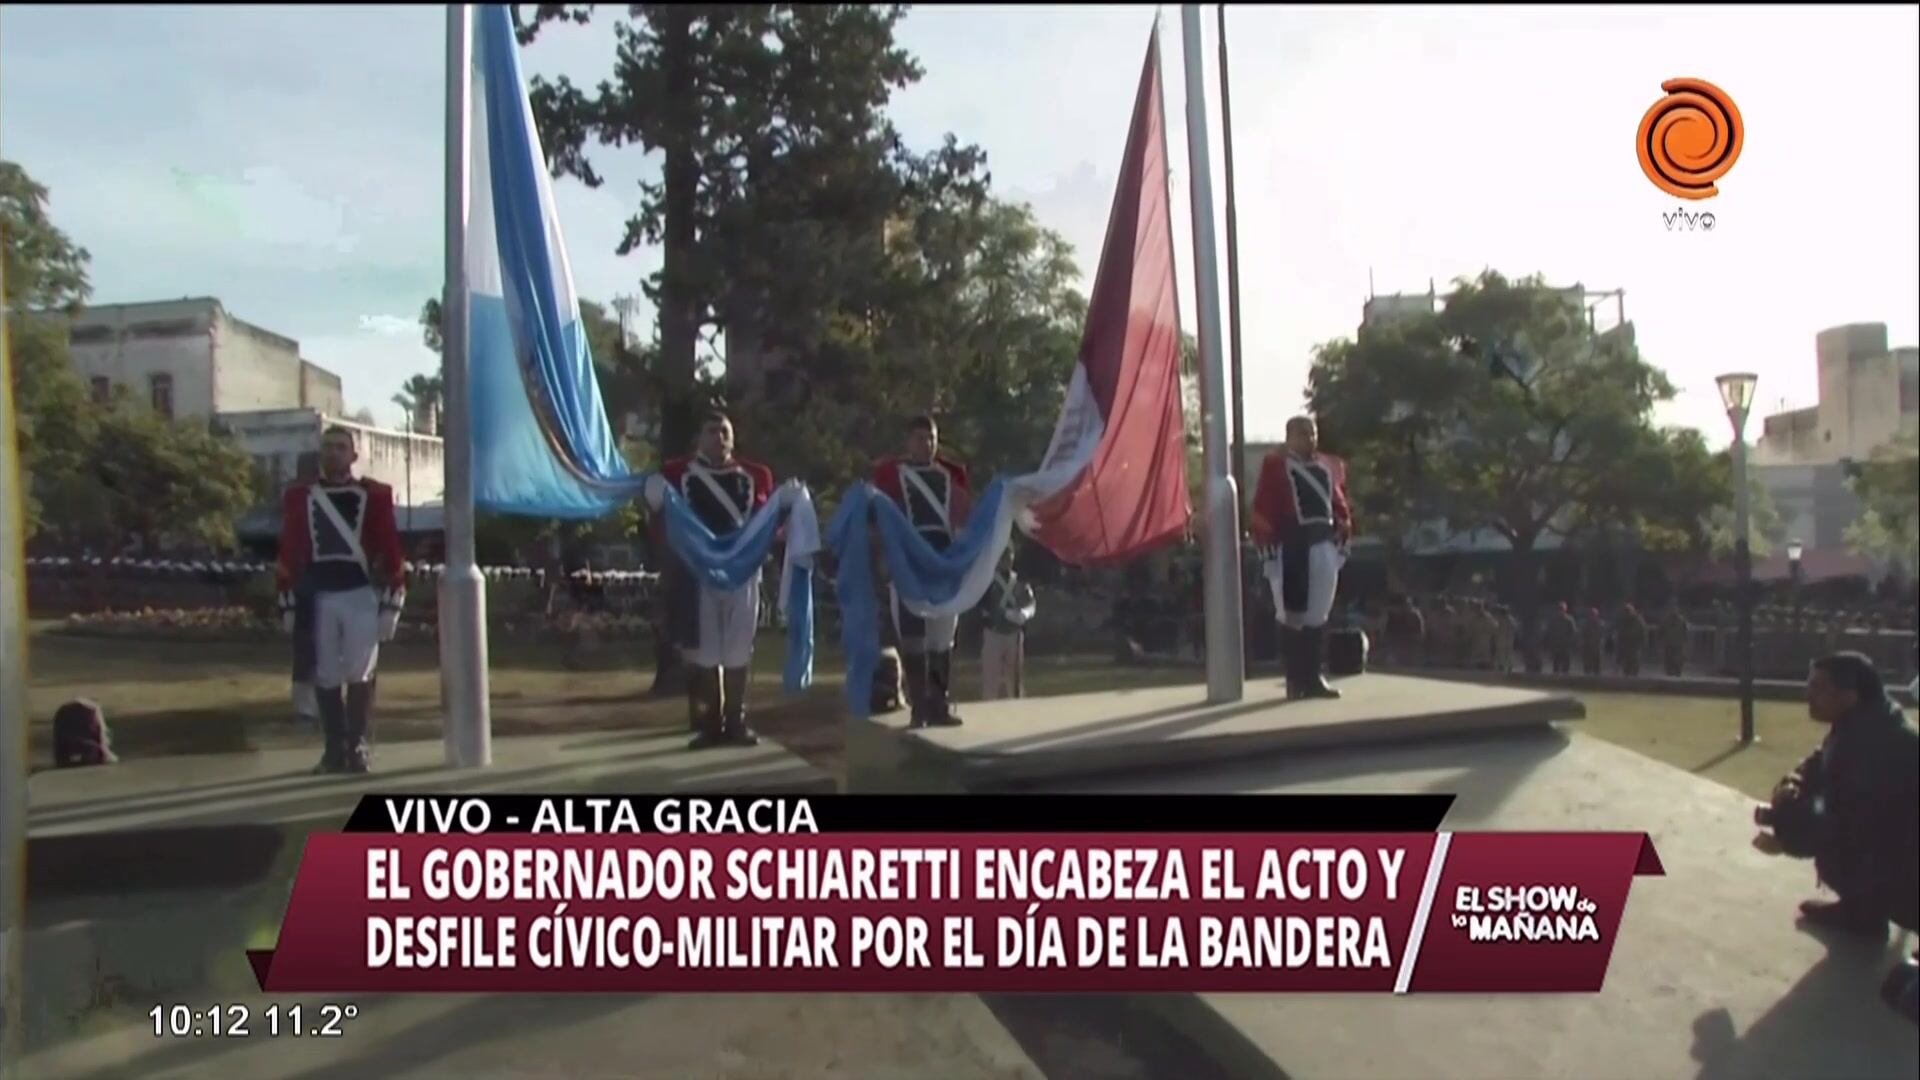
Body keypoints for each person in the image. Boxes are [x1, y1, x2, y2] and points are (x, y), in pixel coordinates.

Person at [1753, 652, 1918, 1003]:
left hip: (1908, 872)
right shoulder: (1866, 722)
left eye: (1817, 687)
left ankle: (1868, 911)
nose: (1807, 695)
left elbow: (1839, 824)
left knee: (1836, 847)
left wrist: (1786, 838)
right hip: (1895, 852)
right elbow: (1817, 765)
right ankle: (1863, 912)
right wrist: (1792, 786)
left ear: (1849, 695)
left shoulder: (1873, 746)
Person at [276, 425, 405, 774]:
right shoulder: (302, 496)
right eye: (327, 447)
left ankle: (358, 746)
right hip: (319, 596)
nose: (332, 453)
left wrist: (393, 601)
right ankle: (334, 749)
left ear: (353, 455)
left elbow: (390, 547)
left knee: (360, 672)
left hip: (360, 593)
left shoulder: (373, 496)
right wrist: (286, 598)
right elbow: (291, 548)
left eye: (339, 447)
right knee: (326, 673)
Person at [658, 410, 774, 750]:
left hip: (742, 571)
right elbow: (663, 521)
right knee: (705, 651)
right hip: (699, 573)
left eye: (725, 431)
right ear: (699, 437)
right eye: (712, 431)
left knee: (739, 646)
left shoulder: (756, 475)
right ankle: (711, 724)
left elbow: (765, 520)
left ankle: (736, 721)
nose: (719, 437)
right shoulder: (676, 473)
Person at [873, 414, 972, 727]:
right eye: (919, 438)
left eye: (931, 437)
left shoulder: (951, 476)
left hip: (942, 560)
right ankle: (919, 707)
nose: (926, 444)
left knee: (942, 639)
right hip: (909, 561)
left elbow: (960, 520)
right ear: (908, 441)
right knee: (913, 636)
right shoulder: (891, 475)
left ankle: (938, 704)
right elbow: (880, 520)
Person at [1251, 415, 1353, 700]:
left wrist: (1342, 541)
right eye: (1303, 434)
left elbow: (1340, 505)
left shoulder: (1331, 466)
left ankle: (1313, 677)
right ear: (1289, 437)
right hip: (1292, 546)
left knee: (1318, 614)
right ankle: (1295, 680)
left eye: (1313, 433)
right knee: (1291, 615)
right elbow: (1264, 509)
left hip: (1323, 545)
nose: (1310, 439)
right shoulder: (1276, 466)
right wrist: (1269, 552)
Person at [979, 545, 1036, 700]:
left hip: (1014, 634)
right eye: (1003, 557)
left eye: (1009, 556)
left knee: (1015, 679)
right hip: (994, 633)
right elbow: (983, 605)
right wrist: (1005, 613)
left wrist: (1025, 613)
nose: (1007, 561)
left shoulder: (1019, 581)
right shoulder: (987, 581)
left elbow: (1030, 602)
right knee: (991, 679)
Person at [1616, 603, 1648, 677]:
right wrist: (1619, 648)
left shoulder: (1639, 621)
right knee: (1626, 669)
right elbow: (1620, 635)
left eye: (1628, 611)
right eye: (1625, 611)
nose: (1627, 613)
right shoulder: (1623, 621)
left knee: (1634, 668)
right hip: (1625, 647)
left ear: (1632, 611)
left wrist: (1643, 646)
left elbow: (1644, 634)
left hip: (1635, 647)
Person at [1661, 603, 1690, 677]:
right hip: (1669, 644)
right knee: (1668, 663)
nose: (1674, 611)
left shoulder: (1682, 621)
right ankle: (1669, 676)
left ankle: (1677, 675)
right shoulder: (1666, 621)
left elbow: (1686, 633)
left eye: (1675, 610)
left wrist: (1685, 644)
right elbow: (1661, 632)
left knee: (1678, 663)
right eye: (1672, 610)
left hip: (1678, 645)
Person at [1579, 607, 1605, 675]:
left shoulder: (1601, 625)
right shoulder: (1585, 625)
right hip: (1588, 650)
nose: (1592, 616)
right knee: (1587, 669)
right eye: (1591, 614)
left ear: (1597, 615)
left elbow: (1603, 637)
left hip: (1597, 650)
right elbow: (1582, 636)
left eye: (1594, 614)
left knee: (1597, 669)